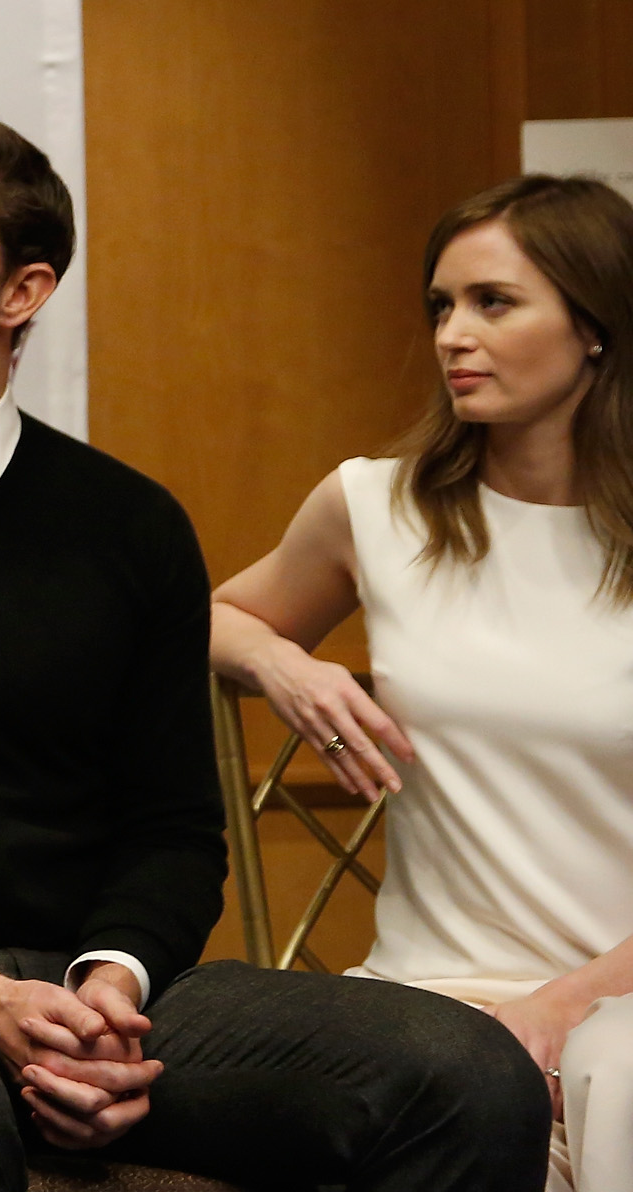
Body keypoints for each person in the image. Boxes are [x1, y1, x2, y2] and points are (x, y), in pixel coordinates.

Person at [0, 99, 547, 1192]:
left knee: (472, 1073)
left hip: (96, 995)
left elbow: (173, 828)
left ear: (23, 292)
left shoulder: (130, 524)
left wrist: (114, 986)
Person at [211, 174, 633, 1191]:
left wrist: (561, 1008)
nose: (453, 334)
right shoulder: (376, 506)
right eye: (442, 304)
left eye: (494, 302)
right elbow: (208, 618)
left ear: (595, 328)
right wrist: (282, 660)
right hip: (429, 1003)